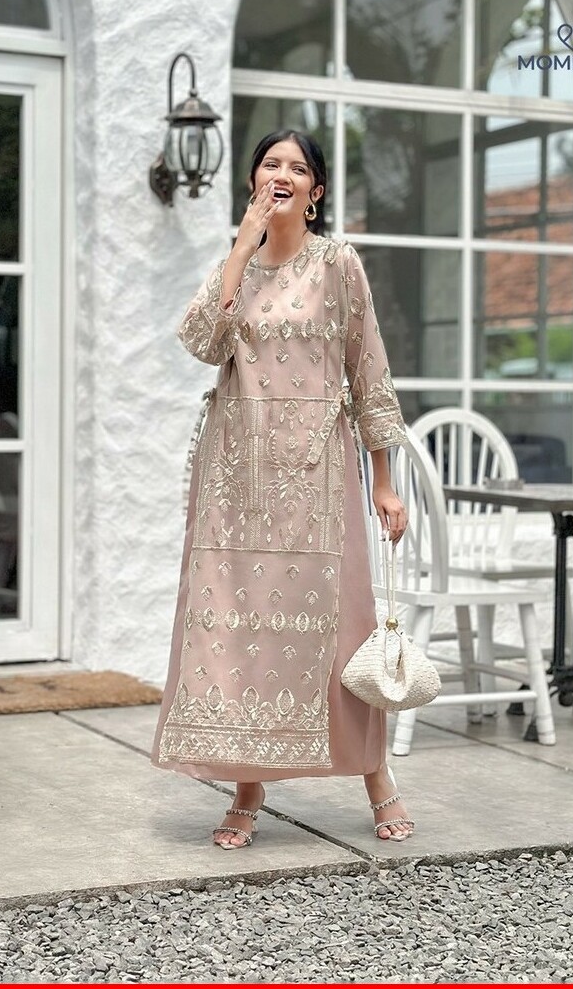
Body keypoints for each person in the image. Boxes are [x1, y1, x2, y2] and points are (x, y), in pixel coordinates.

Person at [151, 129, 413, 849]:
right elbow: (201, 342)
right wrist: (243, 246)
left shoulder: (338, 264)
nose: (283, 174)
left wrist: (383, 480)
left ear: (316, 192)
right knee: (241, 630)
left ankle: (377, 777)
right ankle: (247, 787)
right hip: (236, 478)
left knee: (346, 629)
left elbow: (368, 368)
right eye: (271, 164)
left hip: (319, 473)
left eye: (298, 168)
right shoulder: (233, 267)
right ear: (253, 181)